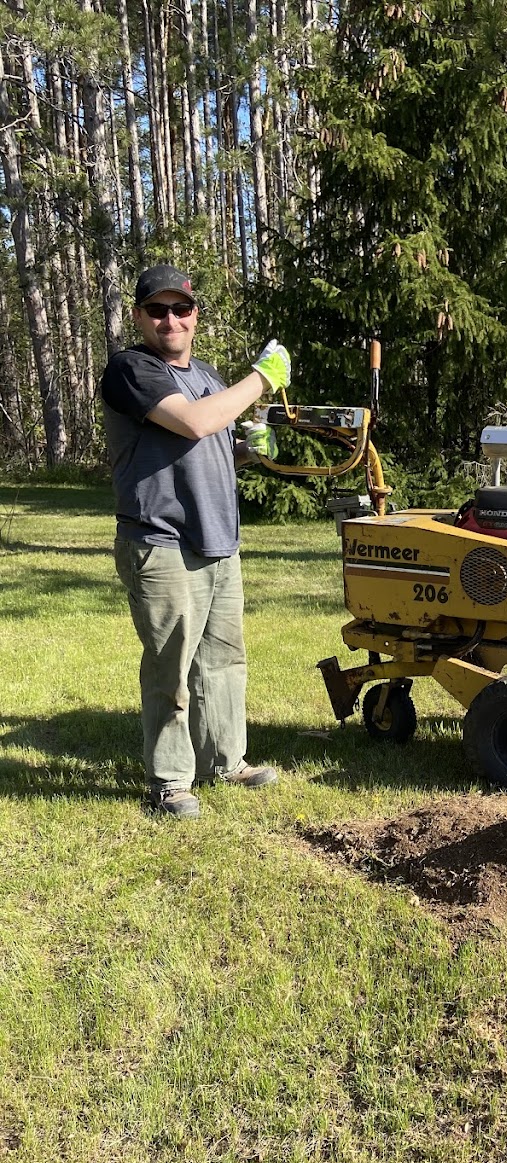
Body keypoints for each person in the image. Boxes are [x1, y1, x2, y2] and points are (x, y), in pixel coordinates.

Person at [102, 264, 290, 818]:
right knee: (171, 664)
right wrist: (260, 378)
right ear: (139, 316)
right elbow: (193, 424)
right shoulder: (131, 370)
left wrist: (251, 447)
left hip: (218, 541)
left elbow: (211, 442)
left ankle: (225, 761)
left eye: (180, 309)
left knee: (223, 661)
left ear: (195, 315)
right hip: (159, 540)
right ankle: (168, 781)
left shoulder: (206, 374)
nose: (170, 319)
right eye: (157, 310)